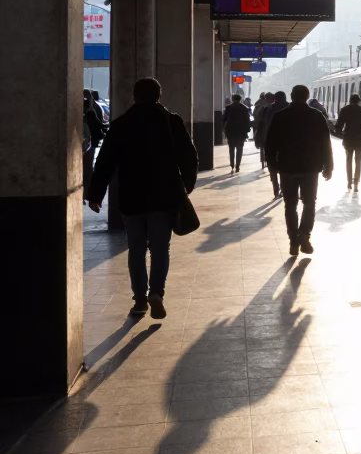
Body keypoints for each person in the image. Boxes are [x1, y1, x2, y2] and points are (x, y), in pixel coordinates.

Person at [87, 77, 197, 319]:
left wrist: (96, 194)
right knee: (160, 248)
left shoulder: (121, 124)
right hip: (164, 196)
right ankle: (156, 292)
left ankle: (139, 300)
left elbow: (105, 162)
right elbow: (188, 155)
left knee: (135, 249)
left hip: (131, 197)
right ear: (159, 95)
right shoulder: (171, 121)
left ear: (134, 96)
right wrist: (187, 184)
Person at [263, 85, 334, 255]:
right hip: (311, 168)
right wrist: (328, 166)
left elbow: (270, 143)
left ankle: (293, 241)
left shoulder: (280, 116)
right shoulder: (316, 115)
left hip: (287, 167)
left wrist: (273, 165)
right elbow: (326, 142)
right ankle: (305, 236)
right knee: (309, 203)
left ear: (292, 96)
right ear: (307, 96)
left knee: (290, 205)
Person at [335, 93, 361, 192]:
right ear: (359, 101)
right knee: (358, 161)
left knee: (348, 160)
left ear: (350, 101)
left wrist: (341, 134)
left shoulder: (344, 110)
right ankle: (356, 183)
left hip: (348, 139)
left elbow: (339, 125)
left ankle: (349, 182)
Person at [259, 91, 289, 193]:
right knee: (285, 166)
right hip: (287, 142)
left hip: (270, 140)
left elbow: (262, 124)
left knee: (272, 164)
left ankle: (275, 186)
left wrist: (259, 138)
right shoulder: (290, 108)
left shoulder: (268, 109)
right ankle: (284, 187)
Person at [223, 94, 251, 173]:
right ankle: (237, 165)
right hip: (241, 132)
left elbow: (224, 119)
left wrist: (224, 129)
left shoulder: (228, 108)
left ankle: (232, 164)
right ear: (240, 99)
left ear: (233, 99)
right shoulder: (245, 108)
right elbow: (247, 120)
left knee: (231, 148)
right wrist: (248, 129)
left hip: (230, 131)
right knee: (239, 149)